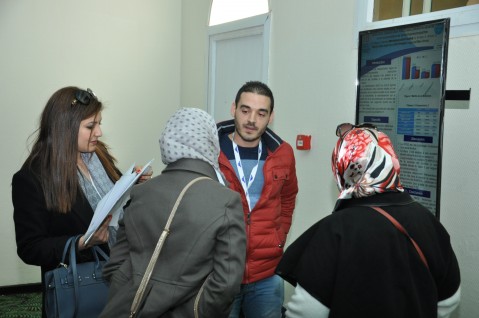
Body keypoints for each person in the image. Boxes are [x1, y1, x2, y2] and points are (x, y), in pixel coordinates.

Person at [276, 123, 461, 318]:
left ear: (343, 168)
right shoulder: (428, 221)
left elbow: (307, 311)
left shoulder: (334, 230)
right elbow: (450, 300)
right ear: (391, 160)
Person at [11, 86, 151, 317]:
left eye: (99, 124)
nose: (99, 133)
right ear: (64, 127)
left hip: (121, 275)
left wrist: (132, 186)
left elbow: (110, 202)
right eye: (90, 126)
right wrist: (80, 243)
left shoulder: (98, 153)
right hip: (80, 289)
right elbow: (30, 248)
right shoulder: (32, 179)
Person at [99, 107, 247, 318]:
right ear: (210, 143)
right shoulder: (226, 200)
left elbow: (117, 261)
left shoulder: (141, 192)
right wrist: (198, 311)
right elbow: (227, 281)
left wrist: (127, 290)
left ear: (167, 141)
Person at [216, 81, 298, 318]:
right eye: (245, 110)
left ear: (270, 117)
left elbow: (288, 197)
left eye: (261, 113)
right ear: (233, 109)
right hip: (221, 271)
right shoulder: (210, 150)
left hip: (267, 273)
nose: (252, 119)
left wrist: (279, 237)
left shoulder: (283, 153)